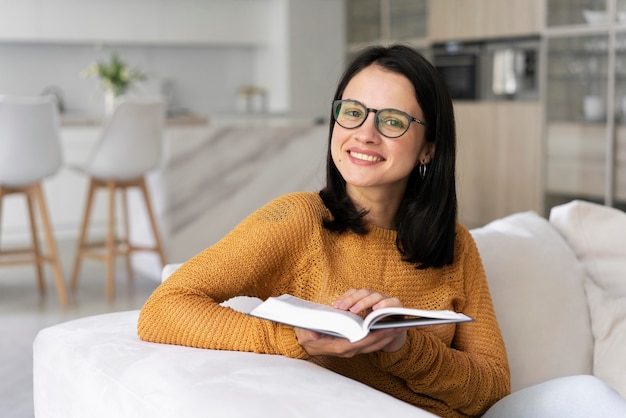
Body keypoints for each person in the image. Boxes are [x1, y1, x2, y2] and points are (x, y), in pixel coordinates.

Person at [138, 44, 511, 418]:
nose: (365, 134)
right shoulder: (299, 220)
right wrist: (294, 340)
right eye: (352, 113)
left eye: (392, 121)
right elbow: (162, 309)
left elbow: (493, 389)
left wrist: (402, 347)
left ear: (428, 148)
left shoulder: (455, 243)